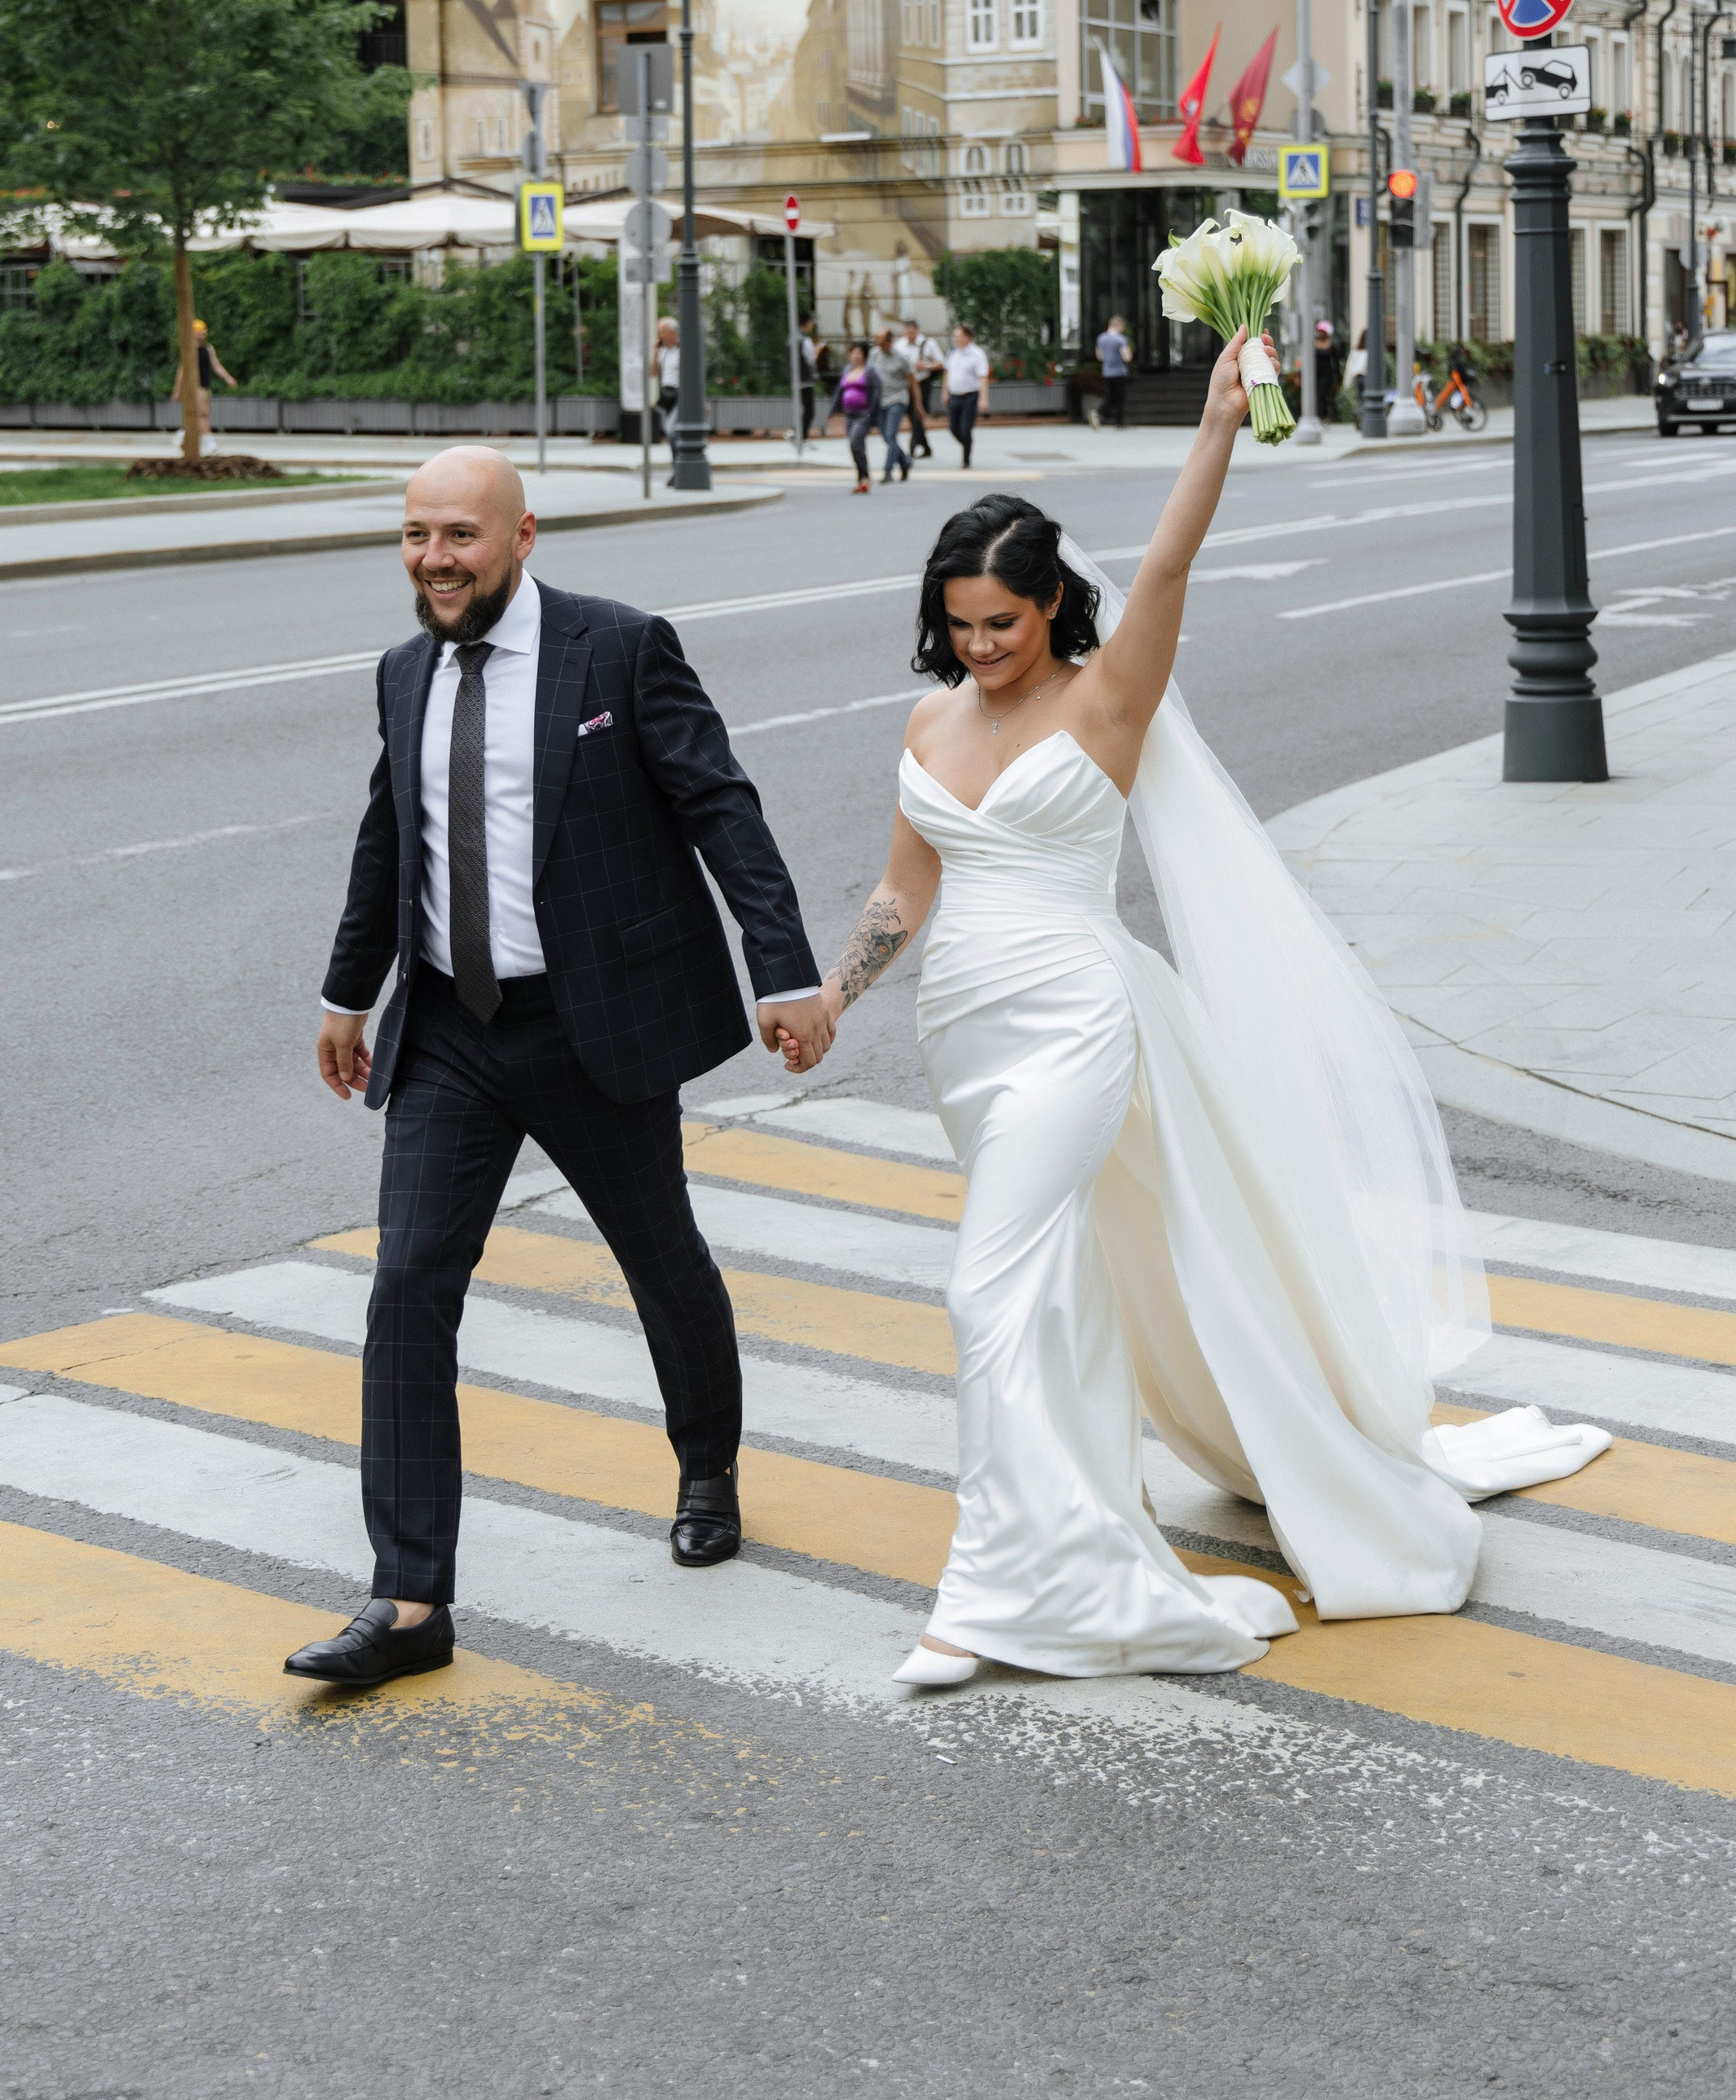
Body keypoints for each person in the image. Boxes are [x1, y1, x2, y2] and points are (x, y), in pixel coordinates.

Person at [771, 332, 1607, 1689]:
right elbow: (901, 891)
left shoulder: (1106, 701)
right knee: (1060, 1297)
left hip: (1076, 1020)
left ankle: (988, 1590)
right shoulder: (930, 728)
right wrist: (829, 997)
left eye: (1005, 621)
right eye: (962, 625)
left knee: (983, 1288)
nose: (982, 648)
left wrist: (1217, 423)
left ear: (1051, 607)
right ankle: (1092, 1537)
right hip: (965, 1040)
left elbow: (1163, 566)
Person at [288, 445, 830, 1691]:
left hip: (597, 1025)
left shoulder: (618, 648)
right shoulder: (402, 669)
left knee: (662, 1259)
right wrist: (345, 989)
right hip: (452, 1037)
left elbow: (721, 809)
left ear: (523, 536)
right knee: (409, 1283)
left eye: (461, 536)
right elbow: (394, 837)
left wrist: (784, 970)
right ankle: (411, 1596)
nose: (436, 558)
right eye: (418, 534)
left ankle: (706, 1461)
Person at [173, 316, 238, 445]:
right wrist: (178, 390)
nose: (202, 336)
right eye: (199, 333)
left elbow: (216, 366)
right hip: (194, 388)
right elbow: (182, 371)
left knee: (197, 417)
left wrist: (228, 378)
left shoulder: (208, 349)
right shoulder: (190, 350)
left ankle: (182, 436)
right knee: (201, 416)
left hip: (204, 387)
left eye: (203, 333)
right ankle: (211, 445)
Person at [869, 327, 917, 485]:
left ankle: (888, 471)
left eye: (883, 343)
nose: (880, 346)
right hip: (881, 401)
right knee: (885, 435)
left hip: (897, 399)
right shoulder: (875, 355)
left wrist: (918, 404)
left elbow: (912, 381)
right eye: (878, 342)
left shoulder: (901, 358)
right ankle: (904, 461)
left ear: (890, 341)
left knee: (891, 435)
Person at [943, 322, 991, 471]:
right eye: (955, 336)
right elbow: (947, 373)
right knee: (953, 428)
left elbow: (983, 377)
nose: (956, 339)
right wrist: (945, 391)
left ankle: (966, 459)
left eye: (958, 336)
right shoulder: (953, 352)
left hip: (970, 396)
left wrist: (983, 399)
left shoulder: (977, 354)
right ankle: (967, 444)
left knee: (965, 429)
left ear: (967, 337)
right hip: (954, 395)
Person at [833, 341, 875, 493]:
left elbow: (876, 392)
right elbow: (839, 391)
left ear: (864, 355)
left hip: (863, 414)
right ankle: (862, 478)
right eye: (853, 353)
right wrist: (833, 410)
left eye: (859, 353)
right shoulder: (847, 369)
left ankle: (865, 476)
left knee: (855, 442)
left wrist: (872, 412)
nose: (856, 356)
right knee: (857, 446)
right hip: (849, 414)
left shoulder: (870, 371)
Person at [902, 318, 943, 459]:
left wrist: (925, 366)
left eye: (912, 332)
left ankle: (912, 447)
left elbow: (941, 363)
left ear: (917, 331)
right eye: (907, 332)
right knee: (911, 415)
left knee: (918, 415)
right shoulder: (900, 345)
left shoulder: (928, 343)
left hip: (922, 383)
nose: (909, 334)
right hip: (907, 385)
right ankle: (926, 447)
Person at [1094, 313, 1132, 428]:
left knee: (1110, 397)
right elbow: (1127, 357)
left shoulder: (1101, 338)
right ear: (1119, 325)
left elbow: (1099, 356)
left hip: (1107, 372)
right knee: (1120, 398)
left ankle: (1099, 413)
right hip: (1119, 372)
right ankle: (1119, 422)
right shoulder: (1120, 339)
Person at [653, 316, 679, 444]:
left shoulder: (681, 350)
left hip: (679, 395)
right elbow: (653, 373)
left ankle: (678, 461)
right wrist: (655, 354)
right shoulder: (663, 351)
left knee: (670, 430)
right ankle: (676, 461)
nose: (660, 335)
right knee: (669, 431)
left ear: (672, 332)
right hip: (666, 395)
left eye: (662, 331)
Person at [1313, 318, 1340, 427]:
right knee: (1317, 395)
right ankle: (1318, 415)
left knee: (1323, 395)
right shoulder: (1314, 345)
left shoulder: (1331, 346)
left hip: (1327, 374)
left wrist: (1337, 378)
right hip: (1315, 374)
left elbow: (1335, 362)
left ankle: (1325, 416)